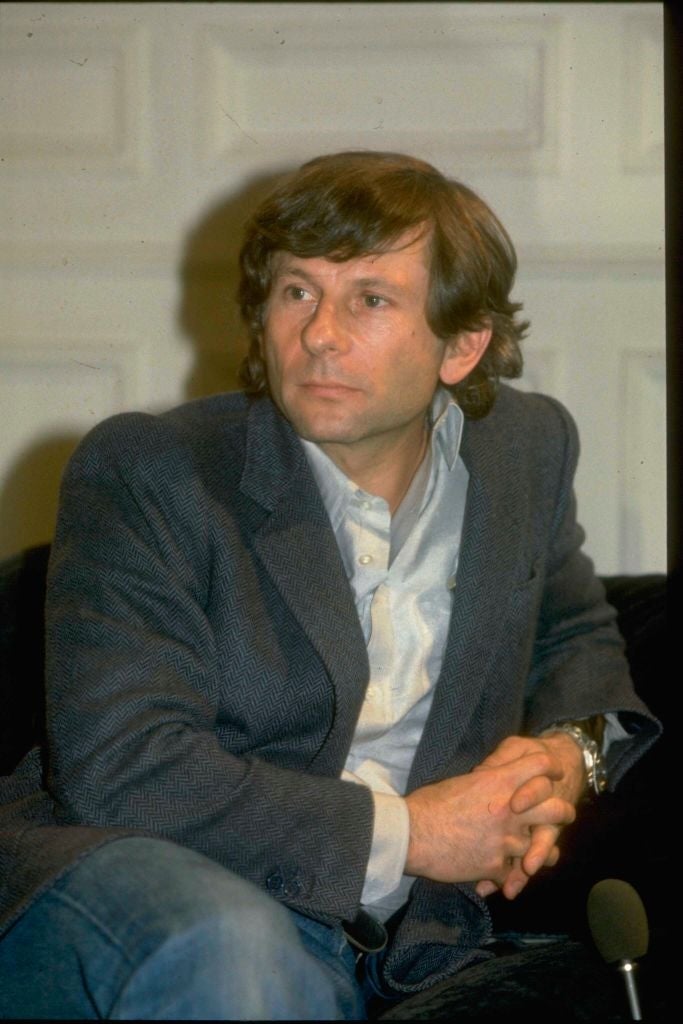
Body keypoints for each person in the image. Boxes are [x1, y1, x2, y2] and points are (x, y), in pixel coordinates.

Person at [0, 151, 660, 1020]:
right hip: (160, 874)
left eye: (370, 299)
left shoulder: (523, 452)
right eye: (296, 291)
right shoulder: (153, 470)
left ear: (462, 345)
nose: (318, 334)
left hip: (407, 935)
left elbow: (573, 635)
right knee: (231, 948)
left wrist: (566, 759)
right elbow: (125, 767)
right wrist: (418, 834)